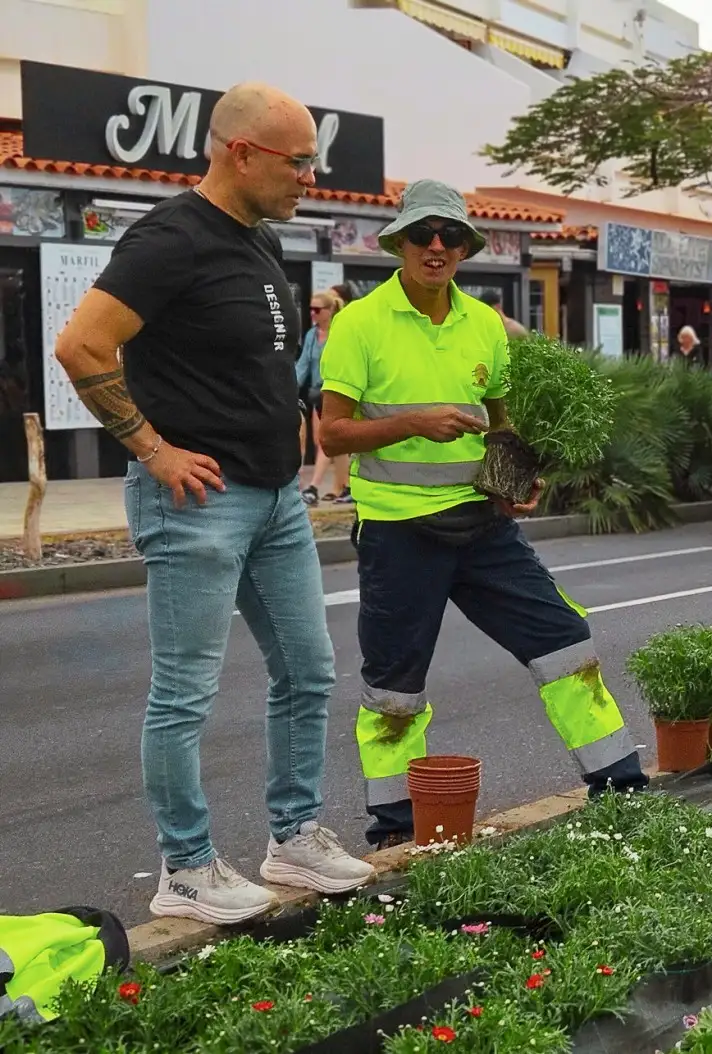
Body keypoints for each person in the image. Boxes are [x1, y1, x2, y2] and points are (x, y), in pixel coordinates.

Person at [53, 82, 373, 924]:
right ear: (241, 152)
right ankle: (186, 867)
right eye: (298, 160)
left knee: (308, 669)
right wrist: (153, 451)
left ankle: (294, 837)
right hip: (199, 500)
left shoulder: (260, 241)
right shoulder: (169, 239)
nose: (312, 174)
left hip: (273, 503)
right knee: (184, 693)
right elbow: (81, 343)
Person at [318, 180, 650, 847]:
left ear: (466, 246)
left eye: (449, 236)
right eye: (422, 235)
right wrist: (416, 422)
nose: (436, 247)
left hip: (482, 526)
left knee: (565, 643)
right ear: (400, 244)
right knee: (393, 692)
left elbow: (500, 423)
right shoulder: (360, 322)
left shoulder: (483, 325)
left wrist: (517, 478)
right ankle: (394, 830)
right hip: (399, 531)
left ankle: (621, 788)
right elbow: (332, 434)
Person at [297, 288, 350, 505]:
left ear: (329, 311)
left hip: (335, 392)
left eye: (317, 310)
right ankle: (346, 487)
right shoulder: (312, 335)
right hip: (316, 394)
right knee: (330, 443)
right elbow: (302, 367)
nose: (312, 313)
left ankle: (313, 486)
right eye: (310, 309)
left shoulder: (341, 332)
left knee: (326, 439)